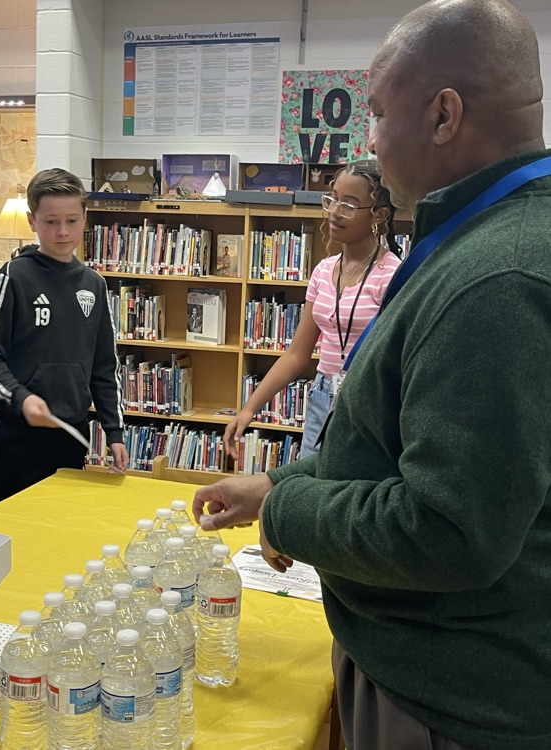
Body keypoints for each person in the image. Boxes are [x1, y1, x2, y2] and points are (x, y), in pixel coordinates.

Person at [193, 1, 551, 748]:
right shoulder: (489, 241)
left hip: (449, 700)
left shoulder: (498, 278)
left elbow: (447, 531)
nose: (371, 144)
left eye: (380, 116)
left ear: (444, 115)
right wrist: (278, 484)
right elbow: (395, 441)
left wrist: (287, 515)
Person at [224, 160, 401, 459]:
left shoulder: (392, 274)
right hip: (322, 394)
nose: (334, 212)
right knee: (311, 483)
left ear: (379, 214)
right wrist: (249, 408)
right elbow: (296, 354)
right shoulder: (323, 271)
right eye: (332, 199)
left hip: (368, 400)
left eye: (348, 205)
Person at [0, 167, 128, 503]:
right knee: (6, 529)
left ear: (85, 218)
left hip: (70, 433)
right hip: (14, 436)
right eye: (50, 222)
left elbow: (104, 368)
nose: (62, 232)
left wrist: (114, 432)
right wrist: (21, 398)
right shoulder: (14, 276)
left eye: (72, 221)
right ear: (32, 221)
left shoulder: (94, 284)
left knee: (62, 525)